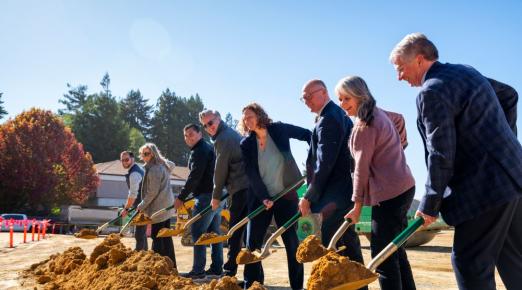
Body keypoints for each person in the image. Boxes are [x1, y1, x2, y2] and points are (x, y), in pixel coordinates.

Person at [390, 32, 522, 290]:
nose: (399, 76)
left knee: (470, 264)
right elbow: (510, 95)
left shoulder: (432, 91)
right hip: (513, 176)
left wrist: (429, 203)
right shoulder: (466, 73)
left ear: (418, 60)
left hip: (485, 189)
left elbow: (441, 153)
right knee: (515, 261)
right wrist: (504, 142)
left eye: (400, 68)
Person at [336, 76, 416, 290]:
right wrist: (397, 149)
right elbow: (399, 118)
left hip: (391, 195)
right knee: (395, 250)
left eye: (346, 98)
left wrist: (357, 206)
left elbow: (361, 170)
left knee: (382, 257)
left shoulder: (365, 126)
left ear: (360, 95)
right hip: (403, 187)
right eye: (340, 99)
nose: (342, 104)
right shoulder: (377, 113)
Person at [238, 103, 310, 290]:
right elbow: (251, 173)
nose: (247, 121)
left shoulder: (278, 129)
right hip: (261, 200)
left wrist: (314, 159)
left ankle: (297, 286)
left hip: (285, 195)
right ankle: (252, 285)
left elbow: (308, 135)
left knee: (291, 242)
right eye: (244, 118)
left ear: (259, 115)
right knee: (253, 244)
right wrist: (263, 198)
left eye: (250, 116)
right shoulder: (246, 144)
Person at [298, 80, 366, 272]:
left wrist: (308, 196)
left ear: (323, 92)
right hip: (343, 194)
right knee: (348, 247)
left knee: (334, 247)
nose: (306, 101)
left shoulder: (329, 119)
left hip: (335, 196)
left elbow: (324, 163)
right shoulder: (336, 116)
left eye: (309, 96)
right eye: (303, 98)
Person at [199, 109, 250, 281]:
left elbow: (220, 169)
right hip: (246, 187)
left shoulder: (224, 138)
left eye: (211, 123)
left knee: (235, 230)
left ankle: (229, 271)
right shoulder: (229, 133)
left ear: (219, 119)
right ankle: (252, 275)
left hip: (242, 188)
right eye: (205, 126)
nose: (209, 127)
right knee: (246, 231)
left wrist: (215, 196)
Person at [176, 123, 224, 279]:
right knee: (213, 233)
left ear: (199, 134)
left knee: (198, 232)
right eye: (185, 135)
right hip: (217, 195)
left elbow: (195, 176)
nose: (188, 138)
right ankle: (217, 268)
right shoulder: (208, 148)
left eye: (191, 134)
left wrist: (181, 197)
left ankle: (198, 271)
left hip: (206, 197)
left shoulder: (200, 150)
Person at [137, 143, 176, 267]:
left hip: (159, 208)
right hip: (167, 206)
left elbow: (152, 192)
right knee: (166, 236)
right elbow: (172, 164)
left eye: (147, 154)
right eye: (142, 154)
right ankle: (171, 266)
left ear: (153, 154)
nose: (144, 156)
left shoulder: (154, 169)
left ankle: (158, 267)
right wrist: (161, 158)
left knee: (157, 235)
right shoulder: (163, 165)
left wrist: (141, 205)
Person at [120, 151, 148, 251]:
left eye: (126, 160)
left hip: (143, 205)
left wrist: (126, 209)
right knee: (141, 233)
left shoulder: (134, 173)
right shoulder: (137, 169)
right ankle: (145, 256)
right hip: (142, 204)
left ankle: (139, 258)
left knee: (139, 234)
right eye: (122, 160)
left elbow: (133, 194)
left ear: (132, 159)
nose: (124, 162)